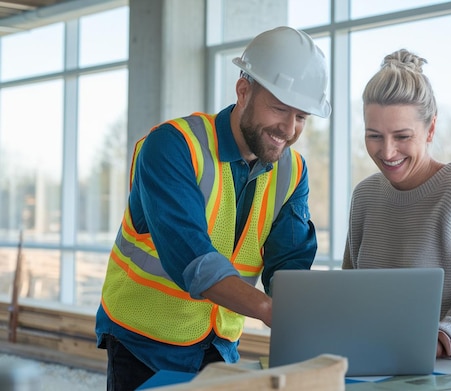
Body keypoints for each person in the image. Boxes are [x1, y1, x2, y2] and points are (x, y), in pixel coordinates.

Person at [96, 26, 331, 390]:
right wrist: (270, 311)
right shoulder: (173, 146)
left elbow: (289, 263)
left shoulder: (293, 171)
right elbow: (190, 257)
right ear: (243, 91)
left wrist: (307, 308)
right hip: (144, 343)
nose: (289, 128)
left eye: (301, 117)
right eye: (280, 109)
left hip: (220, 347)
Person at [343, 49, 451, 361]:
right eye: (374, 136)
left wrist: (440, 339)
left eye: (402, 136)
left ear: (431, 129)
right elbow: (351, 294)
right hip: (385, 366)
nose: (387, 151)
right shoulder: (365, 196)